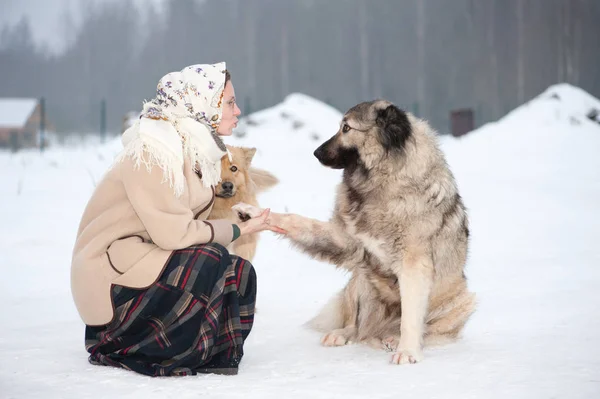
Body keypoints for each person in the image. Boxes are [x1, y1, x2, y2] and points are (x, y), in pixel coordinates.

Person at [70, 62, 282, 376]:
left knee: (238, 271)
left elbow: (187, 223)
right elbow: (174, 234)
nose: (238, 111)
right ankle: (124, 342)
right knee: (210, 259)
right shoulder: (155, 151)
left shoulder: (194, 153)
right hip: (113, 281)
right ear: (204, 106)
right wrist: (237, 229)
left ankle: (206, 351)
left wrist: (244, 222)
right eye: (229, 103)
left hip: (147, 263)